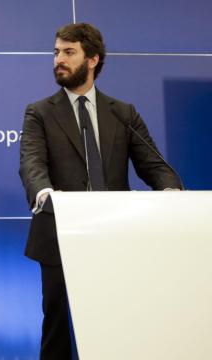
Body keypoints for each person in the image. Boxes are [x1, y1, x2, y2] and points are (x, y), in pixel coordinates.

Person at [19, 23, 181, 359]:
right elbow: (32, 165)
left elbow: (154, 165)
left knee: (120, 325)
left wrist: (171, 192)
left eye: (68, 52)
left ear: (92, 60)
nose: (57, 60)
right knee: (58, 329)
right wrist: (45, 194)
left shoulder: (123, 113)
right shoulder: (40, 112)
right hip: (60, 235)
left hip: (116, 236)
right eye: (56, 52)